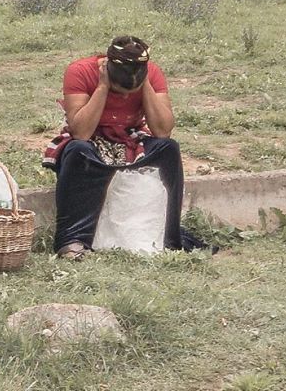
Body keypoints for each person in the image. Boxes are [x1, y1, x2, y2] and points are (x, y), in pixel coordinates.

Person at [42, 36, 183, 259]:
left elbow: (162, 131)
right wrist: (104, 86)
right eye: (121, 89)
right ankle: (72, 241)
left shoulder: (152, 74)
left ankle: (167, 238)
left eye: (131, 91)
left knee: (168, 149)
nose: (127, 96)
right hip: (91, 139)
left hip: (130, 138)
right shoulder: (80, 71)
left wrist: (144, 83)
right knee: (78, 151)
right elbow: (81, 132)